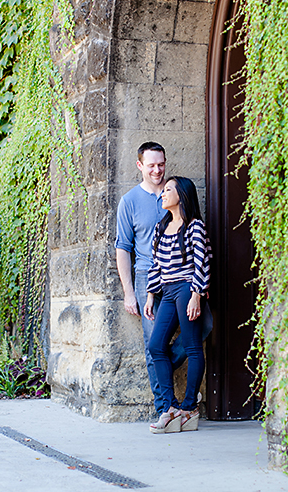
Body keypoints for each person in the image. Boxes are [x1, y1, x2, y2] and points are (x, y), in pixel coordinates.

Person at [115, 142, 184, 413]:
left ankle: (163, 366)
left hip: (181, 274)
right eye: (152, 165)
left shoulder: (176, 192)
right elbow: (123, 248)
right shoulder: (129, 201)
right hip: (147, 277)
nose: (157, 170)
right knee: (153, 342)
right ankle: (165, 406)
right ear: (140, 166)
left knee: (204, 327)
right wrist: (129, 292)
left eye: (161, 164)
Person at [144, 176, 211, 434]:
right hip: (168, 291)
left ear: (181, 195)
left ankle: (189, 406)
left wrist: (197, 294)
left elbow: (202, 263)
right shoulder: (161, 228)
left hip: (186, 288)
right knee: (156, 345)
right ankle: (170, 408)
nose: (163, 193)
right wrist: (151, 295)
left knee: (193, 346)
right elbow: (156, 265)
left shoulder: (195, 227)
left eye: (168, 190)